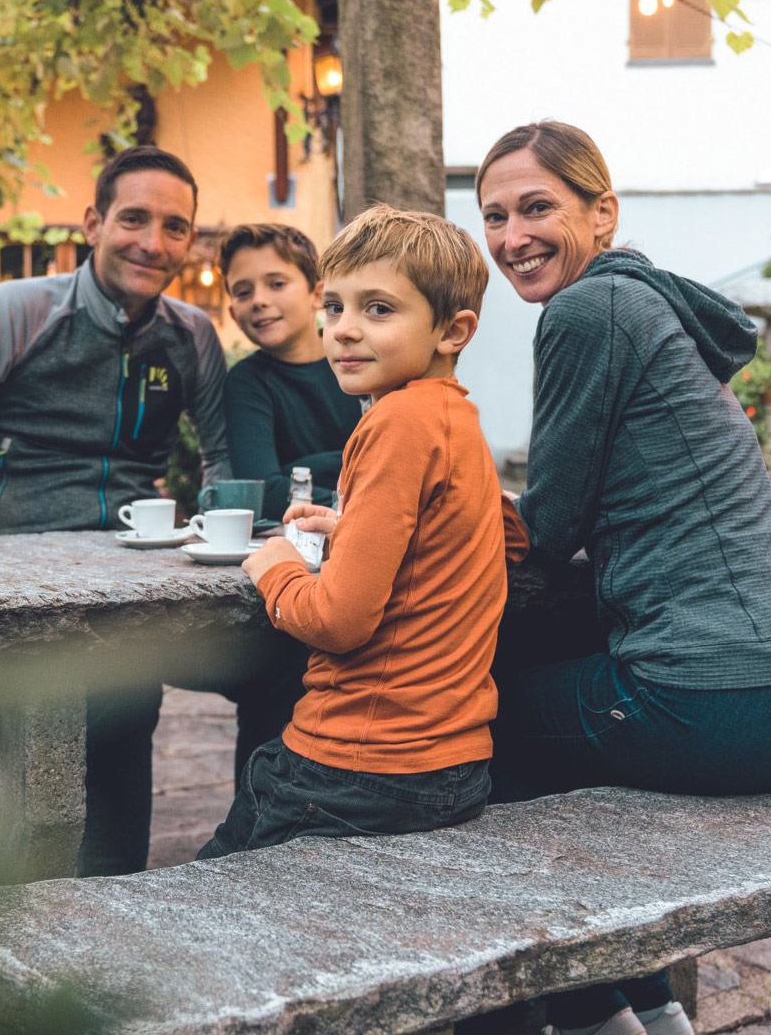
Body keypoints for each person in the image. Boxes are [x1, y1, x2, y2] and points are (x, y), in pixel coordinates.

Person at [474, 122, 771, 1035]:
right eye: (494, 216)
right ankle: (652, 1008)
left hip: (739, 701)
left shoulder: (587, 311)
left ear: (601, 213)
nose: (511, 237)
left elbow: (550, 524)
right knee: (566, 718)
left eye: (538, 207)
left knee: (477, 725)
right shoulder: (650, 307)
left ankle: (580, 1019)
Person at [0, 146, 296, 878]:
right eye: (133, 219)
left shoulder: (190, 335)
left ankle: (255, 859)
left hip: (140, 584)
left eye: (174, 226)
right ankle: (54, 888)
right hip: (26, 582)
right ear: (93, 224)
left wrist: (231, 537)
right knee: (103, 706)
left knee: (283, 662)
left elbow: (223, 465)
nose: (152, 243)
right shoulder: (21, 310)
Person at [198, 205, 527, 859]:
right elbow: (498, 537)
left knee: (211, 889)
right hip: (454, 764)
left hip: (358, 764)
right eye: (335, 307)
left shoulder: (393, 423)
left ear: (452, 330)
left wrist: (277, 566)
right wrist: (359, 526)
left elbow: (339, 621)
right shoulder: (456, 419)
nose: (344, 331)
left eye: (378, 310)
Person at [218, 223, 365, 522]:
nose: (258, 300)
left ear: (318, 295)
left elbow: (392, 470)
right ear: (233, 314)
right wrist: (349, 478)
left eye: (276, 284)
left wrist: (296, 475)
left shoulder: (359, 359)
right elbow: (265, 492)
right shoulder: (246, 383)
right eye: (243, 292)